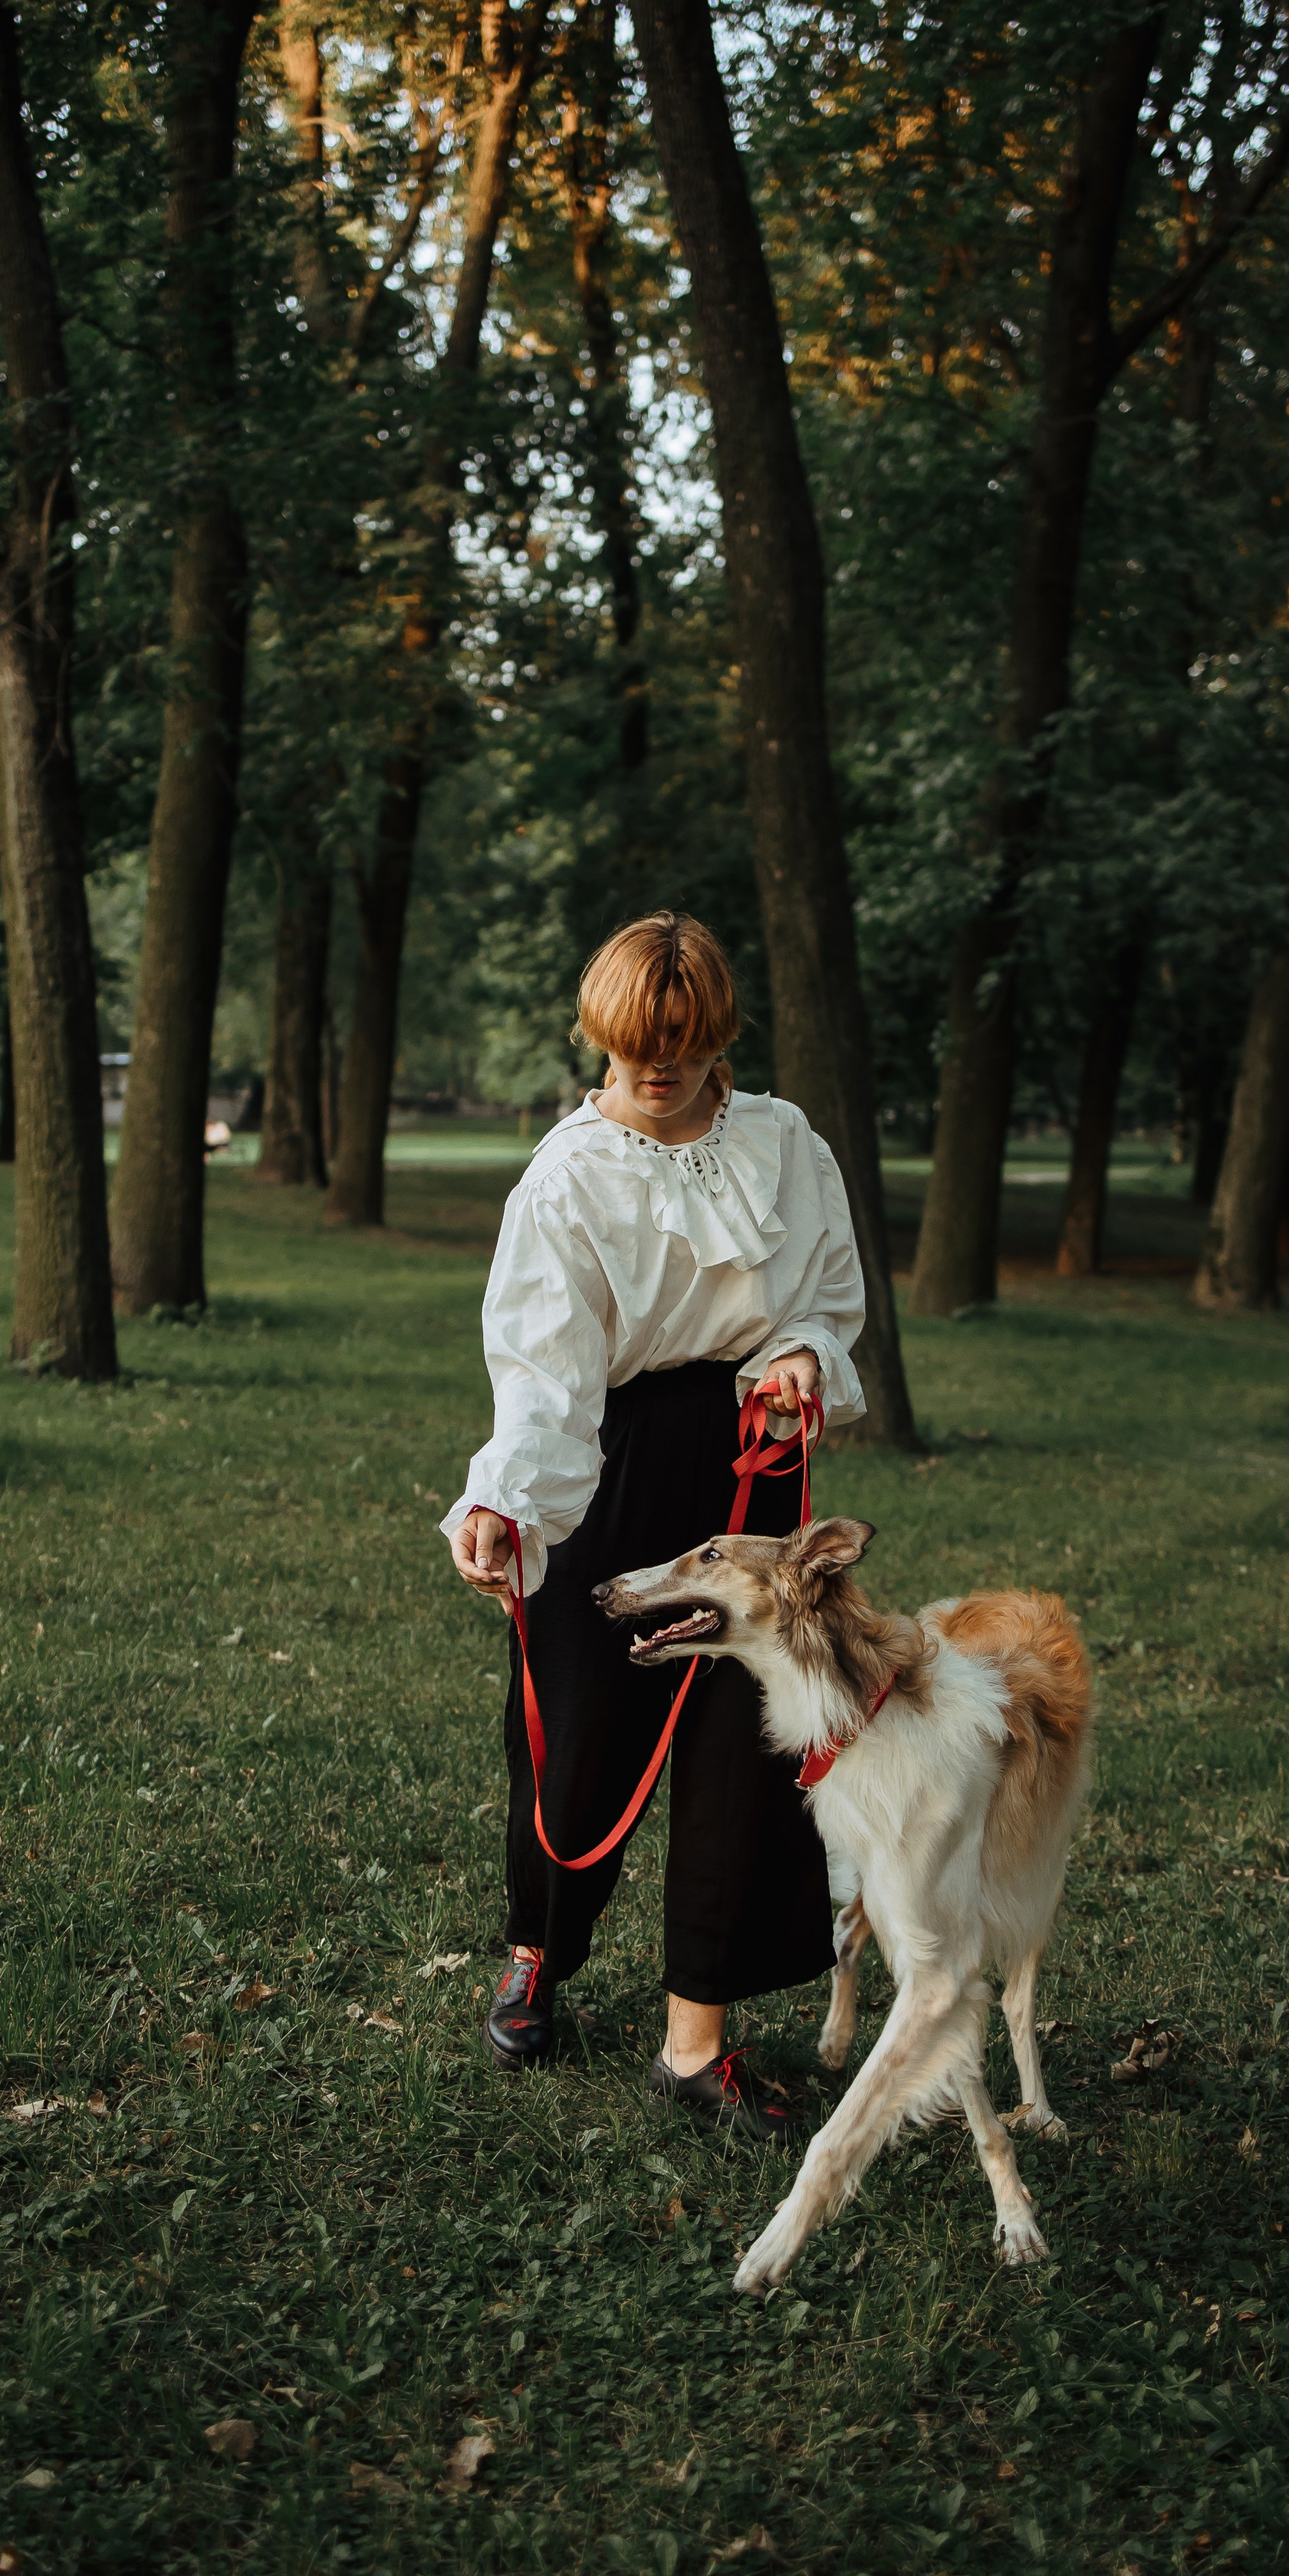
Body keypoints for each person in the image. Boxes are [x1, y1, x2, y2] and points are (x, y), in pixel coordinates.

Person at [442, 911, 866, 2140]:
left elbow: (830, 1302)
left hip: (750, 1476)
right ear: (601, 1034)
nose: (659, 1067)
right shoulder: (569, 1175)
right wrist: (502, 1495)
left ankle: (696, 2043)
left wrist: (797, 1358)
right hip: (608, 1462)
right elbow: (542, 1374)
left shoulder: (786, 1144)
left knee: (745, 1748)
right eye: (635, 1046)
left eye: (681, 1041)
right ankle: (538, 1948)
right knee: (576, 1735)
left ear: (716, 1029)